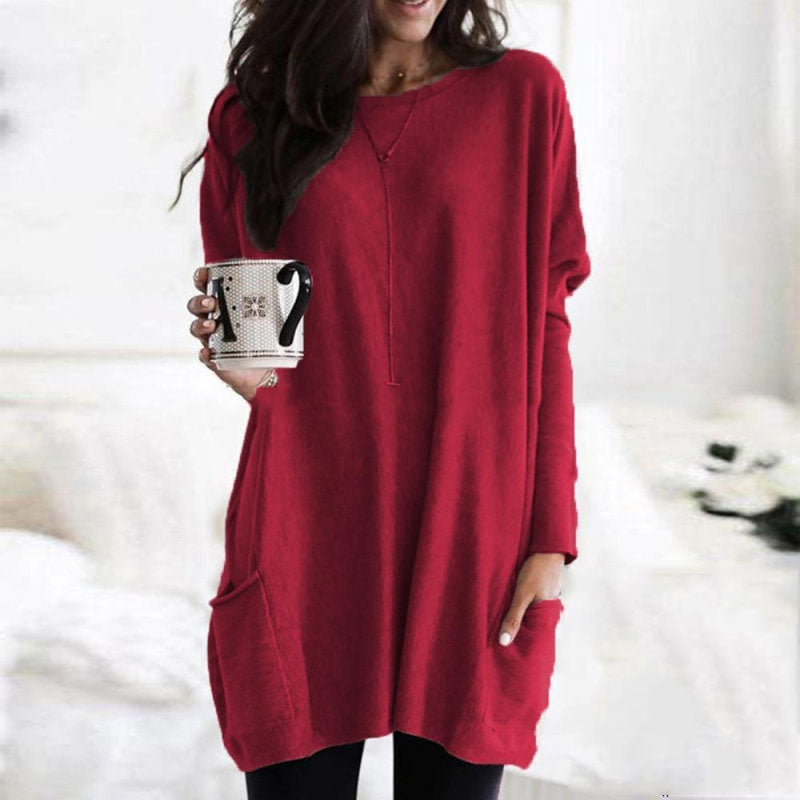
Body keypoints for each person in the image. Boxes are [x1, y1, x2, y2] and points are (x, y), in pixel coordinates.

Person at [176, 0, 591, 797]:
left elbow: (547, 323)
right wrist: (250, 377)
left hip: (473, 521)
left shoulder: (524, 96)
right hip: (307, 520)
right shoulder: (253, 115)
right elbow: (259, 344)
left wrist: (551, 536)